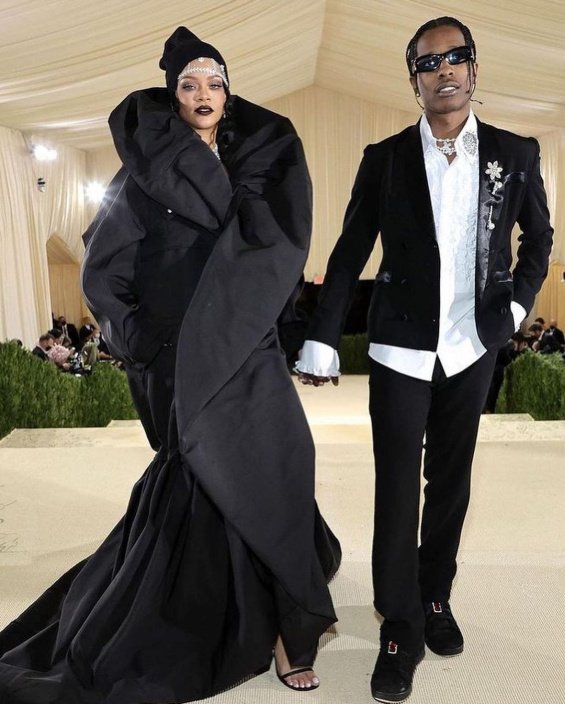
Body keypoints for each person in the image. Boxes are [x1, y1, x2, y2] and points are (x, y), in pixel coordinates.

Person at [0, 27, 340, 704]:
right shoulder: (142, 172)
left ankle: (288, 611)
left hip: (248, 349)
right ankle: (264, 625)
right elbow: (102, 269)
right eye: (189, 84)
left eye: (214, 82)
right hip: (183, 358)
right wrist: (144, 342)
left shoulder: (259, 161)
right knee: (209, 479)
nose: (203, 94)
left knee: (281, 464)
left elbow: (277, 255)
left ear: (228, 91)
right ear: (172, 95)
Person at [296, 15, 553, 702]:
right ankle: (398, 625)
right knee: (395, 486)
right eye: (428, 63)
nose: (444, 72)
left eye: (455, 59)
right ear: (412, 80)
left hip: (474, 343)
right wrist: (322, 334)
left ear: (473, 70)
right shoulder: (383, 158)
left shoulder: (513, 152)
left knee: (451, 481)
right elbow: (349, 252)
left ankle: (434, 596)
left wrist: (514, 309)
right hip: (399, 346)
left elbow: (538, 237)